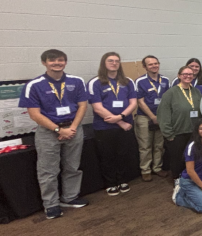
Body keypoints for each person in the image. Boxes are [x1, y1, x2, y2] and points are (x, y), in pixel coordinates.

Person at [19, 49, 89, 219]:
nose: (57, 63)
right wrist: (59, 130)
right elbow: (34, 114)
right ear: (44, 63)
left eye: (60, 60)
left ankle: (70, 197)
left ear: (65, 62)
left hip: (73, 129)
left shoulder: (77, 81)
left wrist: (71, 128)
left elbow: (82, 106)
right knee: (48, 170)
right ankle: (51, 205)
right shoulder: (34, 85)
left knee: (72, 166)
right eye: (52, 60)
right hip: (48, 132)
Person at [88, 52, 137, 196]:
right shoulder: (95, 82)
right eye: (110, 61)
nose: (114, 63)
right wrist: (119, 121)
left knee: (123, 154)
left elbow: (133, 103)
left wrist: (121, 116)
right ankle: (110, 183)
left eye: (117, 61)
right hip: (105, 127)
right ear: (104, 63)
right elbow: (97, 107)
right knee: (107, 156)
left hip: (126, 124)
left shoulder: (127, 81)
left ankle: (122, 180)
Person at [159, 66, 202, 179]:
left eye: (190, 74)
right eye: (185, 74)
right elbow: (163, 115)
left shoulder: (196, 92)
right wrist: (168, 134)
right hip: (177, 133)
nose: (188, 76)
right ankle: (177, 180)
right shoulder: (170, 93)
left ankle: (191, 179)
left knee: (192, 157)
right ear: (179, 75)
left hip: (193, 132)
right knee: (177, 159)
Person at [171, 119, 202, 213]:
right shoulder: (192, 146)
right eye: (201, 129)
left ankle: (198, 195)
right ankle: (179, 196)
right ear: (197, 130)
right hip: (189, 180)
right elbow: (190, 171)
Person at [135, 55, 170, 182]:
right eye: (150, 64)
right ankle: (145, 170)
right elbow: (140, 101)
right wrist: (152, 117)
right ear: (145, 67)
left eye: (156, 63)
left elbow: (167, 100)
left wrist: (161, 117)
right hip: (145, 117)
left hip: (161, 118)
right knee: (145, 145)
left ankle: (157, 167)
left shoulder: (165, 80)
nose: (154, 66)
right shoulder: (140, 81)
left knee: (159, 145)